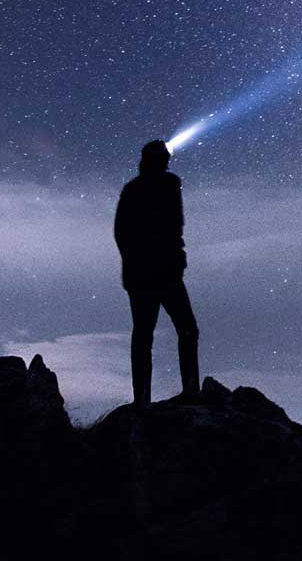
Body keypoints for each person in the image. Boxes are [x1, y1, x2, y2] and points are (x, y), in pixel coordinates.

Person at [114, 139, 200, 407]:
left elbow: (121, 232)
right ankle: (190, 391)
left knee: (143, 335)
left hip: (141, 274)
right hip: (162, 272)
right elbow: (175, 226)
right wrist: (175, 258)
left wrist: (133, 262)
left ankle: (142, 399)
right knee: (185, 330)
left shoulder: (132, 189)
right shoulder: (169, 184)